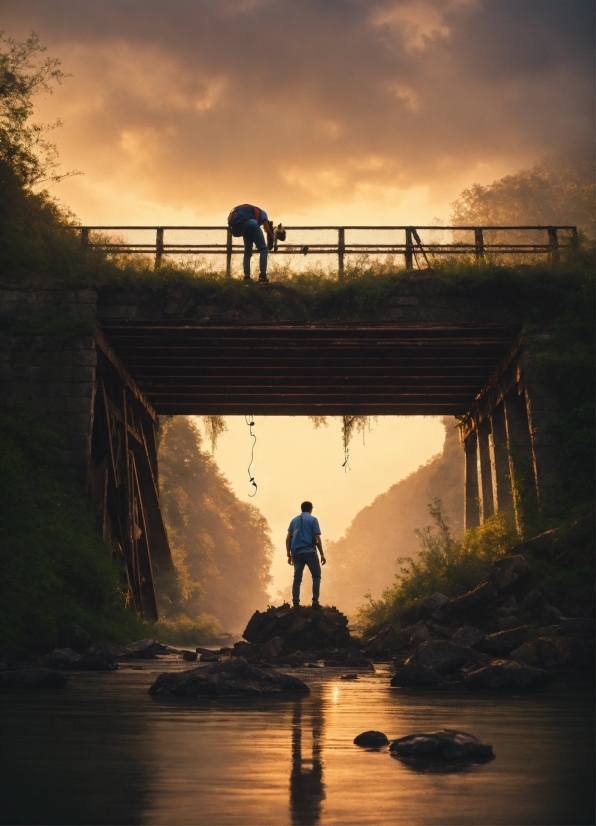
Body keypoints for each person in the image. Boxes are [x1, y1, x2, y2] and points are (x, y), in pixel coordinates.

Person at [286, 501, 326, 608]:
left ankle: (295, 602)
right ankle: (315, 601)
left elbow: (288, 538)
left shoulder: (294, 520)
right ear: (310, 509)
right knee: (316, 576)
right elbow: (317, 537)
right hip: (310, 552)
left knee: (297, 578)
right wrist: (322, 553)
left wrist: (288, 554)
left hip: (297, 553)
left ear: (301, 508)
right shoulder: (313, 520)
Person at [227, 204, 274, 282]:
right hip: (253, 224)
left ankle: (247, 277)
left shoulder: (245, 211)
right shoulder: (263, 213)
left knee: (247, 253)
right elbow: (266, 228)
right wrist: (273, 238)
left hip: (244, 228)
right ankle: (262, 275)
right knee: (263, 249)